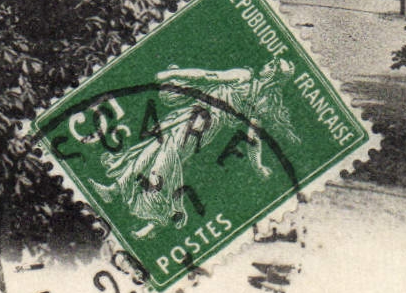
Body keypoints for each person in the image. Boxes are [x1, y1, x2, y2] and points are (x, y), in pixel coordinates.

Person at [90, 58, 300, 238]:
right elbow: (206, 76)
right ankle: (116, 189)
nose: (267, 64)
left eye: (273, 64)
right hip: (190, 114)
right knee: (150, 150)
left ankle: (157, 217)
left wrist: (258, 164)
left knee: (162, 164)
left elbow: (252, 135)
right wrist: (171, 75)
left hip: (202, 126)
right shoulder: (246, 79)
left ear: (274, 74)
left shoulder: (255, 91)